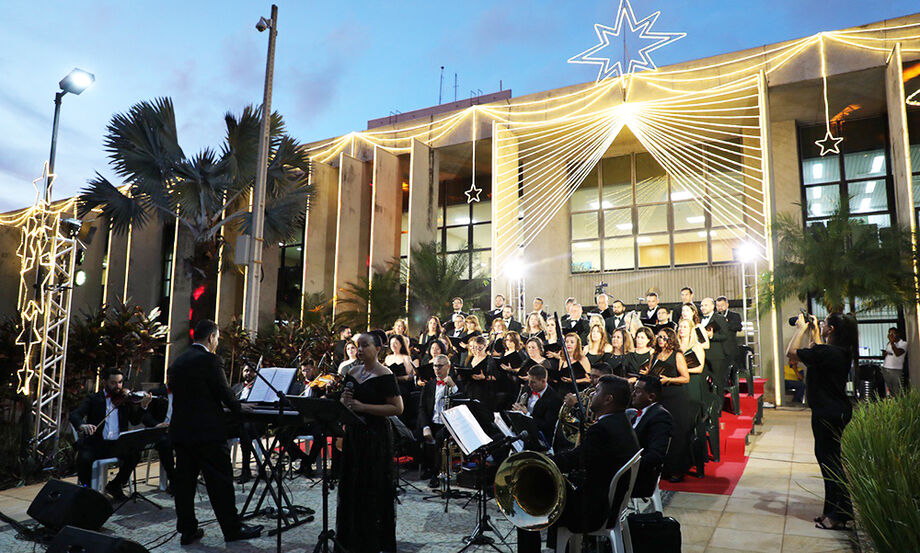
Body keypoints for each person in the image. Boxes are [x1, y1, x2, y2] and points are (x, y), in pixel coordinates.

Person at [517, 375, 639, 553]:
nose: (592, 395)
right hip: (609, 505)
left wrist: (542, 461)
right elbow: (584, 456)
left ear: (608, 399)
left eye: (597, 391)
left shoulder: (603, 429)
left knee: (526, 504)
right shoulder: (621, 422)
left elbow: (575, 459)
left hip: (592, 511)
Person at [168, 319, 261, 544]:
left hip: (182, 432)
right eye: (217, 338)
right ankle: (232, 529)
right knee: (220, 483)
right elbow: (223, 391)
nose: (217, 342)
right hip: (207, 433)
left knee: (185, 485)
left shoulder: (178, 361)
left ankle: (187, 530)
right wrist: (239, 407)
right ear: (211, 337)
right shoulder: (210, 360)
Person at [786, 312, 857, 531]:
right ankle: (832, 511)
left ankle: (840, 514)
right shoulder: (838, 351)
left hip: (828, 412)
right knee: (829, 460)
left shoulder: (829, 352)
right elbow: (817, 350)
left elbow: (791, 353)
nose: (822, 324)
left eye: (825, 323)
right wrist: (815, 330)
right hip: (835, 410)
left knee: (830, 462)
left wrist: (800, 329)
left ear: (832, 329)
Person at [339, 330, 404, 553]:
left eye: (365, 345)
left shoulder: (385, 374)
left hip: (375, 437)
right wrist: (344, 400)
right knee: (353, 486)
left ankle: (372, 542)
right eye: (358, 345)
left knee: (372, 487)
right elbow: (345, 401)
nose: (360, 349)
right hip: (354, 435)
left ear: (377, 349)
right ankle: (352, 539)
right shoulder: (352, 372)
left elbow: (397, 408)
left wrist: (363, 407)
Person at [69, 367, 152, 499]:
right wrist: (82, 425)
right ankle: (89, 491)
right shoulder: (94, 398)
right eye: (113, 383)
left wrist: (144, 406)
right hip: (97, 444)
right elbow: (75, 414)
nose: (117, 386)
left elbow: (135, 421)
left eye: (120, 382)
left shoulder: (125, 400)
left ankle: (115, 485)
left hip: (117, 444)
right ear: (104, 382)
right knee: (84, 459)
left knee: (135, 455)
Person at [647, 328, 692, 482]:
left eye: (664, 337)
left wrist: (669, 380)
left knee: (676, 432)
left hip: (675, 397)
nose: (661, 340)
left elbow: (685, 378)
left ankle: (676, 470)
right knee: (661, 432)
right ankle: (662, 468)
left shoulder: (677, 355)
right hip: (660, 396)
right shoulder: (654, 355)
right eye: (659, 337)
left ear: (671, 339)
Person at [417, 355, 459, 488]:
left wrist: (454, 387)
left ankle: (435, 473)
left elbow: (463, 402)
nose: (437, 369)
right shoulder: (429, 385)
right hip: (433, 422)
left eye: (440, 366)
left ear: (448, 367)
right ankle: (427, 467)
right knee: (418, 434)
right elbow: (422, 408)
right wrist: (425, 427)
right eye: (435, 366)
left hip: (449, 424)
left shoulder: (456, 382)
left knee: (440, 438)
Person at [631, 375, 674, 498]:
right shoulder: (640, 413)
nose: (633, 394)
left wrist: (626, 466)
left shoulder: (660, 416)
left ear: (651, 396)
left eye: (637, 391)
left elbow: (655, 455)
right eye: (634, 389)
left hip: (639, 479)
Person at [511, 365, 564, 448]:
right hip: (522, 432)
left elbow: (546, 425)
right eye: (529, 381)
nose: (529, 385)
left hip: (538, 439)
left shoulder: (554, 399)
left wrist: (527, 414)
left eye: (533, 382)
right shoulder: (528, 387)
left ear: (543, 381)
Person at [230, 364, 262, 483]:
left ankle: (246, 470)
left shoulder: (259, 388)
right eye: (246, 371)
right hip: (236, 421)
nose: (248, 373)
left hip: (254, 422)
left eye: (251, 371)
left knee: (245, 430)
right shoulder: (236, 387)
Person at [881, 327, 907, 396]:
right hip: (886, 368)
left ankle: (898, 401)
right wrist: (885, 353)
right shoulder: (889, 343)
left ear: (898, 334)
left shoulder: (903, 343)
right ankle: (892, 400)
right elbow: (889, 353)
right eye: (890, 334)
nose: (891, 335)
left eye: (893, 333)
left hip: (896, 369)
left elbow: (898, 353)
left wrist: (892, 343)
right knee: (890, 389)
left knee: (897, 390)